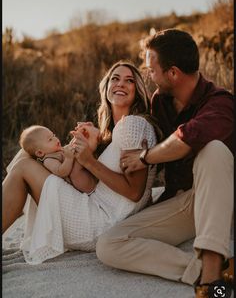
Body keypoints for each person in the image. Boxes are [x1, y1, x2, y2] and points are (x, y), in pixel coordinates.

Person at [96, 30, 234, 298]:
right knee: (109, 244)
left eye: (151, 69)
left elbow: (187, 138)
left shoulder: (221, 103)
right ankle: (202, 271)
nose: (148, 75)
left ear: (173, 73)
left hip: (221, 200)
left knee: (214, 150)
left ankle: (213, 277)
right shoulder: (161, 101)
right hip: (184, 203)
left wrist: (145, 158)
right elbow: (137, 130)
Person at [2, 61, 162, 265]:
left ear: (137, 91)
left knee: (24, 166)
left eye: (129, 81)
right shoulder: (115, 132)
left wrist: (89, 160)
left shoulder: (133, 124)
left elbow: (134, 192)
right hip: (93, 212)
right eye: (115, 78)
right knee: (27, 153)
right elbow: (88, 187)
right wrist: (88, 152)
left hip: (100, 223)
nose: (121, 84)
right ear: (106, 88)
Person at [18, 123, 100, 194]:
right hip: (81, 185)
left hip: (88, 176)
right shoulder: (49, 160)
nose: (55, 139)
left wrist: (75, 140)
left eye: (53, 135)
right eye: (50, 140)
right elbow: (61, 172)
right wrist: (69, 158)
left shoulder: (57, 150)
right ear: (40, 153)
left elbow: (69, 149)